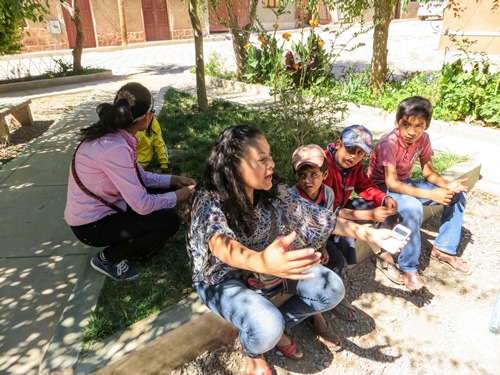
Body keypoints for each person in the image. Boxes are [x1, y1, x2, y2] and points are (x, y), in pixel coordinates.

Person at [186, 124, 407, 375]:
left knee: (331, 289)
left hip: (270, 265)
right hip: (223, 277)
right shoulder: (209, 198)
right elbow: (220, 244)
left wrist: (370, 233)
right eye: (261, 159)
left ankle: (278, 327)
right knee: (266, 326)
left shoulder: (273, 191)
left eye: (269, 156)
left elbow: (316, 216)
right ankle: (253, 350)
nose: (271, 163)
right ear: (234, 165)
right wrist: (260, 261)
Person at [64, 82, 196, 281]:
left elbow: (138, 176)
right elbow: (142, 205)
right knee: (168, 222)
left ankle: (132, 242)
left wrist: (173, 180)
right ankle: (107, 259)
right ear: (146, 118)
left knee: (161, 197)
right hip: (92, 226)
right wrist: (178, 195)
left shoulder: (112, 135)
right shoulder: (114, 148)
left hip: (102, 211)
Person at [367, 96, 469, 294]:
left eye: (419, 126)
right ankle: (408, 267)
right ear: (397, 122)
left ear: (427, 126)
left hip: (404, 183)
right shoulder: (389, 143)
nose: (411, 132)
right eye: (406, 125)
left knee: (456, 194)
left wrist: (449, 186)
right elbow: (392, 184)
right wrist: (431, 195)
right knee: (413, 207)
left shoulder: (423, 139)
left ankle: (444, 248)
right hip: (381, 188)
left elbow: (428, 172)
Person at [323, 125, 399, 316]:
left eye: (359, 154)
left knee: (379, 210)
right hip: (324, 216)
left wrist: (383, 198)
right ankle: (336, 285)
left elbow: (364, 185)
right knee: (345, 240)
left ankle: (384, 254)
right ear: (338, 143)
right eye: (350, 150)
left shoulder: (353, 166)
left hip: (341, 207)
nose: (353, 157)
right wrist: (369, 216)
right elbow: (328, 211)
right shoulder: (323, 166)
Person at [126, 86, 171, 173]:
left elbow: (159, 142)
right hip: (131, 166)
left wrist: (164, 163)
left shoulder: (152, 122)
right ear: (147, 116)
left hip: (136, 166)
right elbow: (159, 142)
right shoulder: (149, 120)